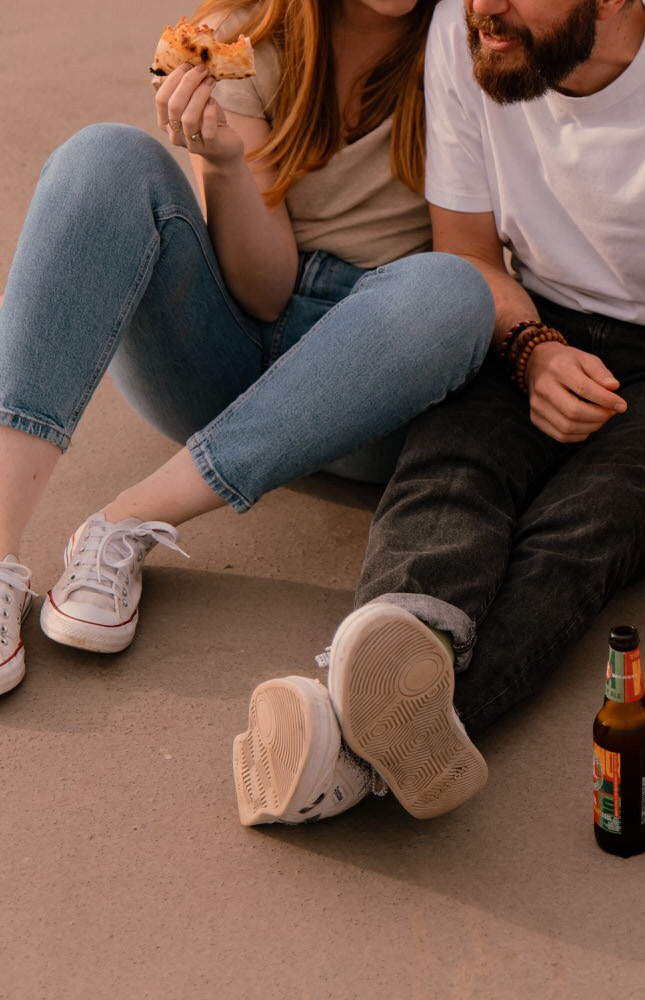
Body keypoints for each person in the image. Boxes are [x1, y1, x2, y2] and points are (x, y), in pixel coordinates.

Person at [232, 0, 645, 825]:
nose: (480, 6)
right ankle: (396, 662)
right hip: (533, 314)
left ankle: (343, 739)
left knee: (580, 530)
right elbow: (467, 250)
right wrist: (530, 348)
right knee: (449, 470)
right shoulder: (471, 38)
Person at [0, 0, 495, 697]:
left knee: (454, 290)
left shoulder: (476, 37)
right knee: (102, 154)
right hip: (223, 348)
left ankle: (126, 522)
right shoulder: (245, 36)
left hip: (369, 380)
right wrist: (225, 162)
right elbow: (265, 294)